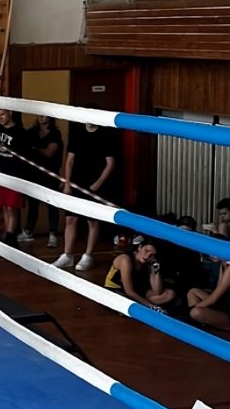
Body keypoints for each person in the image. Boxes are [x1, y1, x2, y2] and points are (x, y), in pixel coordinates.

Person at [52, 114, 118, 272]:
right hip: (76, 182)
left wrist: (98, 184)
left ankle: (88, 255)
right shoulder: (77, 133)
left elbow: (110, 164)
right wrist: (67, 183)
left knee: (92, 221)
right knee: (70, 220)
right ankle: (67, 255)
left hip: (95, 185)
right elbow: (69, 161)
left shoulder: (106, 135)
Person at [0, 109, 27, 246]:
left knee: (12, 206)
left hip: (14, 175)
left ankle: (11, 235)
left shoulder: (20, 132)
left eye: (2, 115)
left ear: (9, 112)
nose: (0, 118)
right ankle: (8, 233)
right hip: (0, 173)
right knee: (4, 205)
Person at [20, 114, 63, 248]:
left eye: (44, 116)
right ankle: (29, 231)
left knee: (52, 205)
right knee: (33, 204)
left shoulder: (55, 133)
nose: (41, 118)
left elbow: (50, 152)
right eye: (39, 116)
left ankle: (52, 234)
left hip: (49, 174)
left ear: (50, 118)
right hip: (33, 174)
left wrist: (34, 149)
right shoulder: (31, 132)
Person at [103, 235, 175, 310]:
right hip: (117, 291)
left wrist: (155, 269)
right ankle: (143, 304)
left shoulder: (148, 262)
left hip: (135, 289)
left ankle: (142, 303)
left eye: (152, 255)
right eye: (146, 251)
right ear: (140, 247)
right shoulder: (125, 260)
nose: (147, 256)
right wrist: (151, 307)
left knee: (169, 294)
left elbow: (157, 291)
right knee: (126, 302)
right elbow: (129, 291)